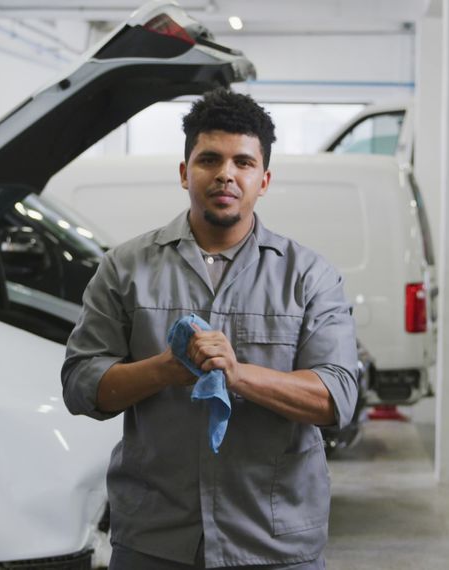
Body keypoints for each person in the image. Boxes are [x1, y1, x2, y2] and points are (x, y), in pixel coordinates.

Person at [61, 89, 357, 569]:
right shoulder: (125, 268)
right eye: (209, 159)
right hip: (157, 539)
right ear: (184, 173)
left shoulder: (309, 276)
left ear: (264, 179)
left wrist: (238, 376)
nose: (225, 173)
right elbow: (80, 385)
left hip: (272, 541)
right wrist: (163, 369)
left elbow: (336, 397)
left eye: (242, 162)